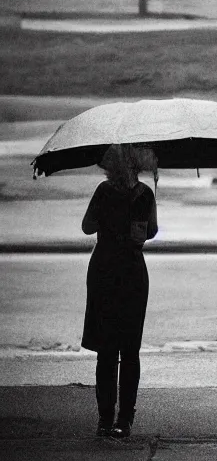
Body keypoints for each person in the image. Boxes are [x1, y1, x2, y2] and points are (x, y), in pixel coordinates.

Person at [81, 144, 158, 438]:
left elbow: (87, 226)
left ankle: (104, 418)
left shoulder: (103, 192)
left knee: (106, 350)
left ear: (112, 166)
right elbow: (150, 232)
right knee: (130, 350)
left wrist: (107, 220)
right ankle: (124, 420)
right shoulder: (144, 194)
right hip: (133, 272)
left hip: (104, 270)